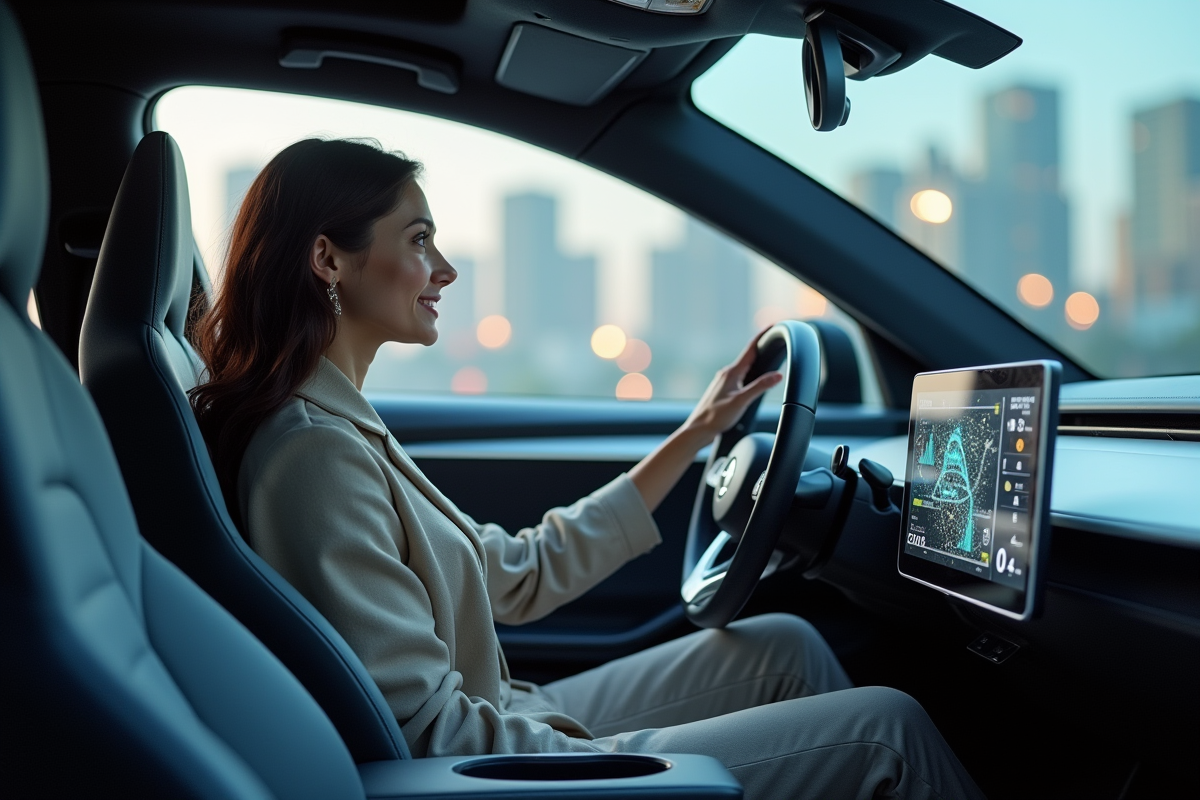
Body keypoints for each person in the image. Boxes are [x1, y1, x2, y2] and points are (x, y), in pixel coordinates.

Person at [191, 138, 984, 800]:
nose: (446, 270)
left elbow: (519, 572)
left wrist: (695, 433)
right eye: (418, 239)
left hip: (503, 715)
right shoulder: (314, 454)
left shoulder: (341, 423)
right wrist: (612, 755)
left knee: (784, 644)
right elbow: (425, 733)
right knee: (889, 730)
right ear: (328, 258)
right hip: (479, 764)